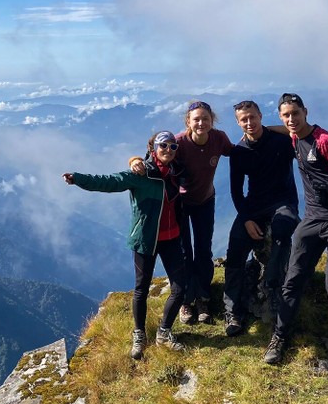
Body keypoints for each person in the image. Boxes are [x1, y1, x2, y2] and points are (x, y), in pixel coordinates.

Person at [64, 131, 188, 360]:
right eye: (163, 146)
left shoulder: (178, 171)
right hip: (145, 239)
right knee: (141, 288)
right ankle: (139, 334)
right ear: (153, 149)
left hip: (172, 238)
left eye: (173, 146)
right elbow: (108, 182)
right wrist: (78, 178)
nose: (169, 150)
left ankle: (163, 332)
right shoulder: (140, 175)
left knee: (180, 289)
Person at [263, 93, 328, 366]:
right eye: (286, 115)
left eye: (296, 113)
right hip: (311, 221)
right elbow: (286, 130)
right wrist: (259, 129)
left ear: (305, 112)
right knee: (293, 280)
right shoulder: (295, 136)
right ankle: (279, 337)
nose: (291, 119)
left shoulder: (325, 142)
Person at [131, 100, 232, 325]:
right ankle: (186, 301)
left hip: (205, 200)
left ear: (212, 120)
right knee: (185, 251)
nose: (201, 122)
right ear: (188, 121)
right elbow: (153, 159)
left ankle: (203, 298)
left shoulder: (219, 138)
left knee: (204, 249)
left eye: (205, 118)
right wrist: (135, 160)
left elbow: (237, 153)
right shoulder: (178, 143)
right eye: (196, 119)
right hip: (180, 203)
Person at [222, 100, 299, 337]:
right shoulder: (239, 152)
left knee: (282, 229)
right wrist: (246, 219)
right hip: (254, 206)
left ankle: (273, 288)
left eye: (252, 117)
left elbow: (302, 129)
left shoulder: (282, 141)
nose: (248, 122)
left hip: (283, 202)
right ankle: (232, 311)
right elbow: (236, 191)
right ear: (237, 122)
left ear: (260, 116)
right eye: (243, 119)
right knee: (235, 247)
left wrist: (280, 128)